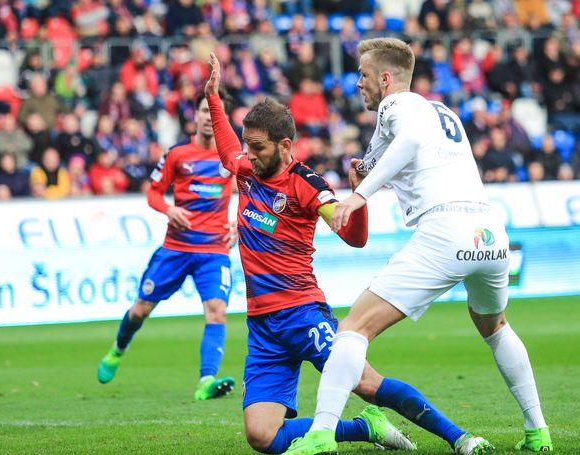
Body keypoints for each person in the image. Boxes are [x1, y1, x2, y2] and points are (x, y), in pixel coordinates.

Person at [205, 52, 484, 455]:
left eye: (258, 147)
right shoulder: (249, 170)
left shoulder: (306, 186)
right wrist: (215, 99)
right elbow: (228, 150)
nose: (249, 155)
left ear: (285, 146)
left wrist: (361, 197)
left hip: (302, 312)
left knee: (368, 383)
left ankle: (459, 437)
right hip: (262, 326)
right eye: (248, 146)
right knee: (261, 437)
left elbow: (353, 236)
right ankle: (363, 428)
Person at [287, 37, 552, 455]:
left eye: (363, 75)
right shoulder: (440, 111)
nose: (357, 83)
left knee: (353, 329)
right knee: (495, 326)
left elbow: (407, 144)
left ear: (386, 79)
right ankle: (538, 431)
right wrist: (364, 172)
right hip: (489, 232)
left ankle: (321, 434)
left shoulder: (396, 106)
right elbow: (389, 154)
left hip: (445, 230)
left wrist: (359, 196)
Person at [96, 91, 237, 401]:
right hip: (176, 247)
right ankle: (118, 350)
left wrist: (239, 225)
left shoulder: (232, 158)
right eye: (204, 111)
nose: (208, 118)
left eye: (215, 114)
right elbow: (153, 193)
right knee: (140, 310)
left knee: (217, 312)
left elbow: (255, 191)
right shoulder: (177, 155)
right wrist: (169, 210)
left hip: (214, 250)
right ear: (196, 116)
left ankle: (206, 381)